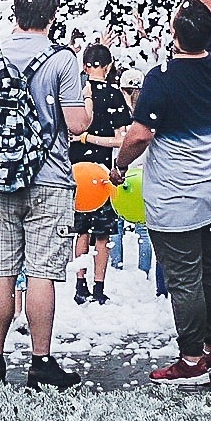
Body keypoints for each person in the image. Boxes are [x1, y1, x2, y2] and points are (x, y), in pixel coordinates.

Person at [114, 0, 211, 387]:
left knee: (184, 275)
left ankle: (190, 360)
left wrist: (119, 164)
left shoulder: (161, 78)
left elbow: (140, 136)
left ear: (173, 34)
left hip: (176, 194)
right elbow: (210, 13)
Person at [0, 0, 91, 390]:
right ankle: (40, 362)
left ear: (14, 13)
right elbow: (75, 123)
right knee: (41, 273)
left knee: (0, 269)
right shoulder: (61, 59)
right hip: (49, 178)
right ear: (52, 16)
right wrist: (85, 105)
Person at [68, 43, 131, 302]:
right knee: (102, 234)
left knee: (81, 230)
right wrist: (94, 139)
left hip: (76, 170)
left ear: (84, 66)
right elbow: (120, 140)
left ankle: (80, 283)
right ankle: (99, 286)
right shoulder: (115, 95)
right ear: (108, 67)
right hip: (102, 171)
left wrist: (82, 139)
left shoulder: (75, 93)